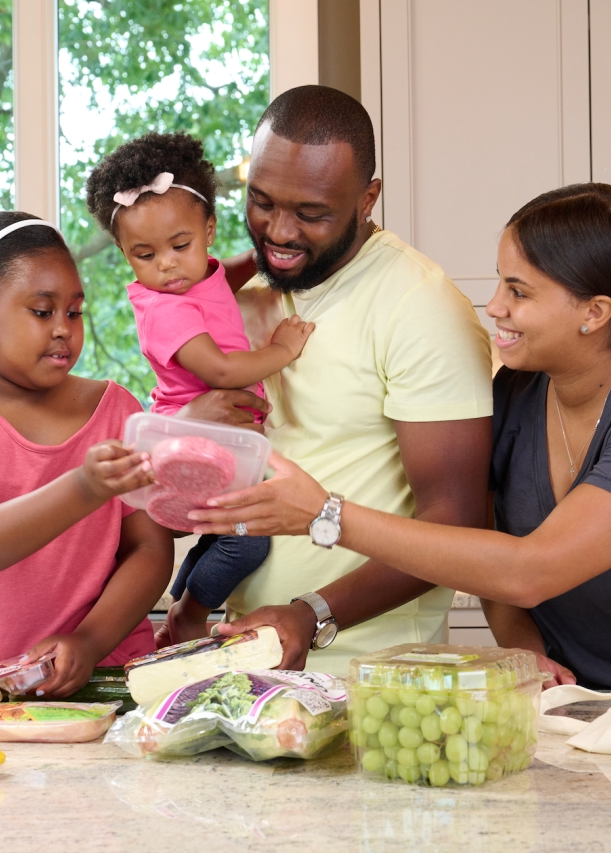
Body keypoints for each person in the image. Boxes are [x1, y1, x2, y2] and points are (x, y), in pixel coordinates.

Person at [192, 184, 611, 691]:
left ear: (594, 312)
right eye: (500, 282)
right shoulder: (519, 392)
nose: (493, 306)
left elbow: (530, 571)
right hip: (592, 711)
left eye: (519, 291)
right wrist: (525, 649)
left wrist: (325, 514)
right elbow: (485, 549)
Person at [181, 85, 496, 677]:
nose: (278, 231)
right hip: (253, 665)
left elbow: (455, 525)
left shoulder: (418, 305)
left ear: (368, 197)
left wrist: (310, 614)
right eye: (262, 202)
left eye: (311, 213)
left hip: (375, 680)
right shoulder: (252, 297)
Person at [0, 210, 173, 696]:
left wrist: (88, 641)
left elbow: (149, 549)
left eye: (74, 312)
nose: (63, 328)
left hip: (108, 672)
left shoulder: (115, 408)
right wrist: (85, 486)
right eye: (42, 312)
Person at [84, 132, 315, 646]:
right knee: (247, 543)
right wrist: (282, 350)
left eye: (179, 246)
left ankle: (183, 601)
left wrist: (266, 262)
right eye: (144, 255)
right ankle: (189, 611)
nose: (165, 264)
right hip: (193, 436)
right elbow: (222, 372)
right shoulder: (164, 309)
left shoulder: (196, 276)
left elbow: (222, 277)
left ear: (209, 230)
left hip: (218, 436)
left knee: (220, 530)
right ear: (125, 255)